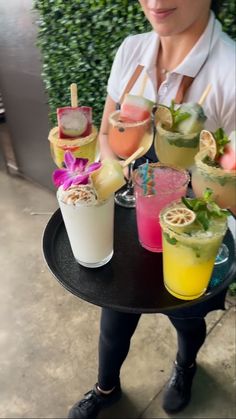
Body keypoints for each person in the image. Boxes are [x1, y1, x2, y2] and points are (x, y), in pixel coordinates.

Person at [68, 1, 235, 418]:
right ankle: (106, 388)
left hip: (191, 231)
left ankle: (185, 366)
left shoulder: (230, 72)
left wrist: (193, 169)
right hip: (131, 214)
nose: (156, 3)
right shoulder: (131, 50)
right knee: (115, 317)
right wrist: (116, 168)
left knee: (186, 317)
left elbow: (227, 196)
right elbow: (107, 132)